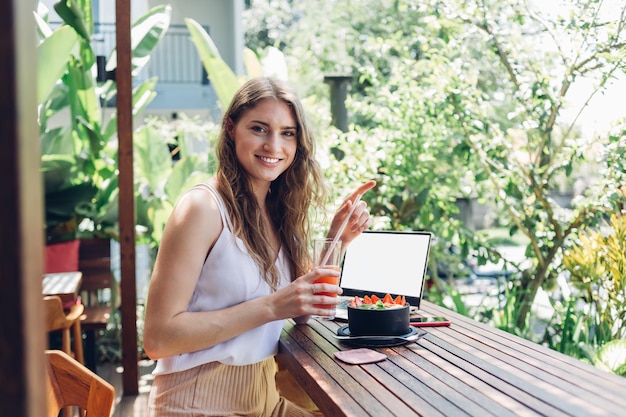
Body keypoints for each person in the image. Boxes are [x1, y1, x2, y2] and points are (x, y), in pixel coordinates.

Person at [144, 76, 376, 417]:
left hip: (266, 401)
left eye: (287, 133)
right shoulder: (202, 209)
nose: (274, 146)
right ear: (231, 128)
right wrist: (270, 307)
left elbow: (301, 311)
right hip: (197, 404)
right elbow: (159, 338)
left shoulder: (278, 210)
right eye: (259, 129)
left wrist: (337, 238)